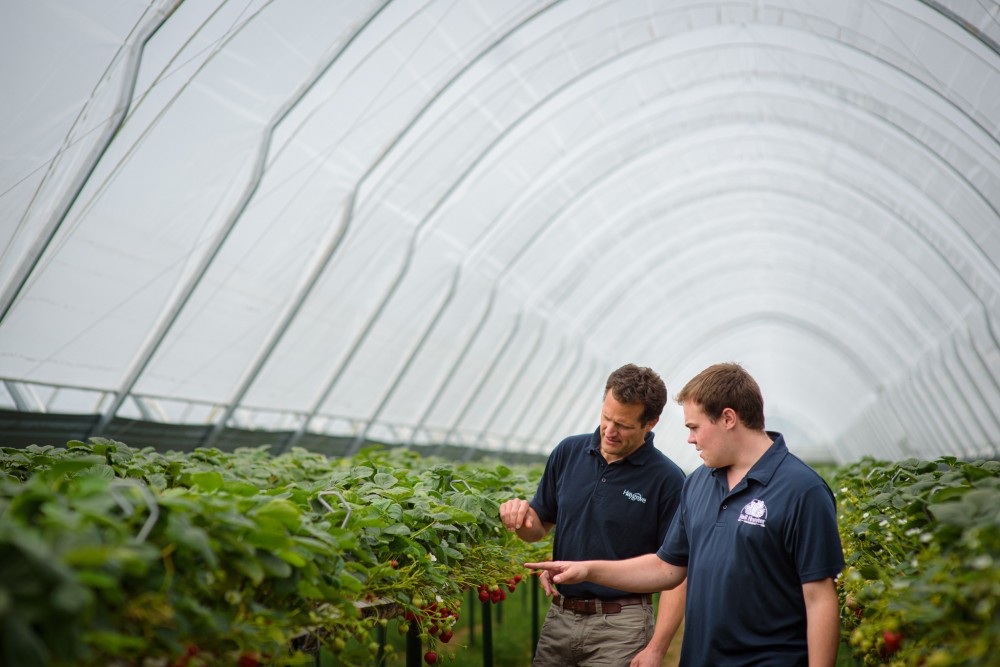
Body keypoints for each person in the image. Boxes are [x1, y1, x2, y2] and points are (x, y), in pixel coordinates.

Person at [527, 362, 845, 667]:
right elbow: (667, 567)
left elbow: (820, 599)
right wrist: (586, 570)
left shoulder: (802, 491)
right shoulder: (698, 484)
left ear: (728, 418)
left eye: (694, 427)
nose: (689, 438)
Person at [499, 363, 687, 667]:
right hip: (560, 614)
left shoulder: (667, 480)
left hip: (621, 624)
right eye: (606, 417)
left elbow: (676, 573)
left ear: (650, 423)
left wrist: (657, 648)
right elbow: (538, 527)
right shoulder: (568, 452)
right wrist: (519, 516)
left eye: (623, 425)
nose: (609, 431)